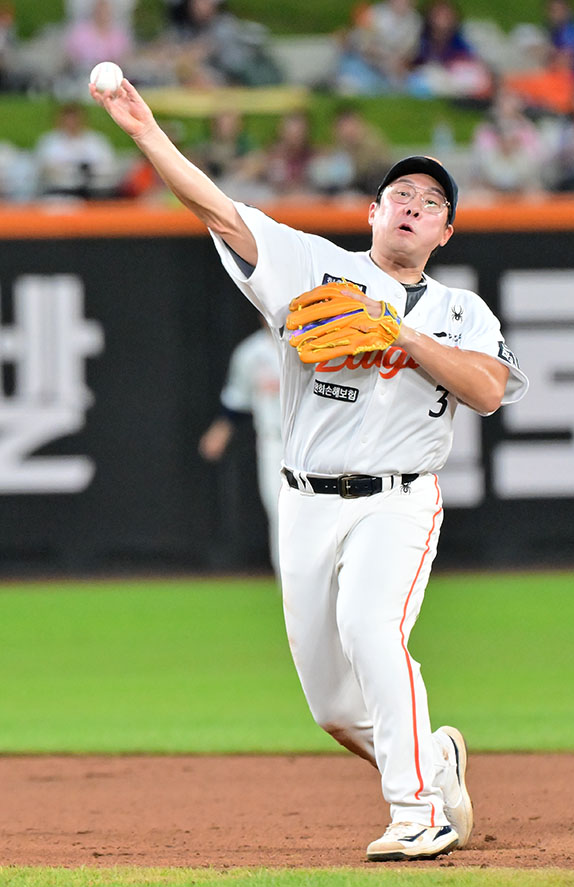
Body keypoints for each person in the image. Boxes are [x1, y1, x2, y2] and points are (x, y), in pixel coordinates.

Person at [91, 72, 528, 861]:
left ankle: (417, 809)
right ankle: (436, 760)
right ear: (373, 212)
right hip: (304, 502)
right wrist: (146, 133)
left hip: (398, 499)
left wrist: (405, 337)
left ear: (445, 233)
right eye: (401, 193)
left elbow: (490, 390)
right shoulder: (314, 267)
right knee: (332, 705)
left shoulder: (463, 312)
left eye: (432, 202)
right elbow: (220, 211)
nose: (413, 205)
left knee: (370, 626)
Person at [198, 321, 283, 576]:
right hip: (274, 441)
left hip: (315, 443)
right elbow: (236, 401)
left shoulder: (316, 344)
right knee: (280, 513)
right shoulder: (251, 353)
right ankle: (289, 590)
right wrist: (220, 431)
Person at [34, 101, 119, 199]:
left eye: (75, 118)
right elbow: (44, 167)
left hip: (95, 191)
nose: (72, 123)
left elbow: (108, 165)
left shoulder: (97, 141)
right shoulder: (49, 142)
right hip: (61, 191)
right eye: (68, 119)